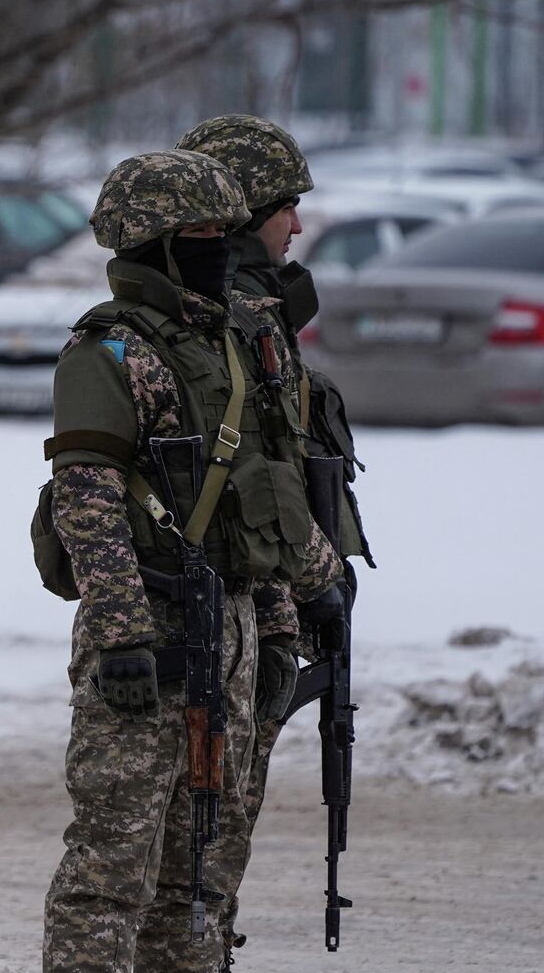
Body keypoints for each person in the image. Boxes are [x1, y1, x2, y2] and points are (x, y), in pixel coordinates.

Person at [36, 149, 345, 973]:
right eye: (202, 232)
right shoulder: (109, 352)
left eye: (223, 230)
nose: (220, 245)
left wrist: (277, 626)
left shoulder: (226, 344)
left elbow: (259, 501)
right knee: (111, 870)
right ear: (159, 244)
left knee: (204, 874)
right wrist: (124, 636)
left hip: (233, 628)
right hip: (156, 631)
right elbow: (88, 499)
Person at [176, 114, 372, 967]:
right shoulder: (230, 320)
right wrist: (317, 576)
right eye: (286, 206)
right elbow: (265, 477)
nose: (298, 226)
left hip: (262, 601)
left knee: (212, 844)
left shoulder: (252, 314)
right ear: (247, 206)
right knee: (197, 843)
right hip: (223, 602)